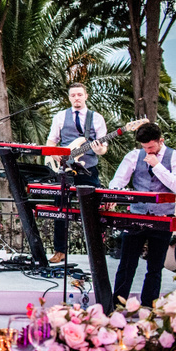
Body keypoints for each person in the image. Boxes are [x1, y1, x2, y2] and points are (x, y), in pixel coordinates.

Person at [109, 122, 176, 307]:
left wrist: (157, 166)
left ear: (161, 141)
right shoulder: (134, 156)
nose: (148, 151)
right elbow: (118, 180)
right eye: (144, 147)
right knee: (126, 265)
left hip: (162, 219)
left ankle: (148, 306)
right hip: (136, 217)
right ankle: (116, 305)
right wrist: (113, 194)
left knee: (155, 267)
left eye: (151, 147)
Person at [46, 82, 108, 263]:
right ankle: (60, 250)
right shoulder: (60, 116)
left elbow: (103, 149)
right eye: (73, 95)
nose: (77, 98)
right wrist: (55, 153)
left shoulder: (96, 118)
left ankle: (95, 251)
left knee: (92, 211)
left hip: (88, 170)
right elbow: (51, 142)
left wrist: (98, 150)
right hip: (65, 170)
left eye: (80, 94)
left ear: (86, 96)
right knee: (60, 210)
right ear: (69, 97)